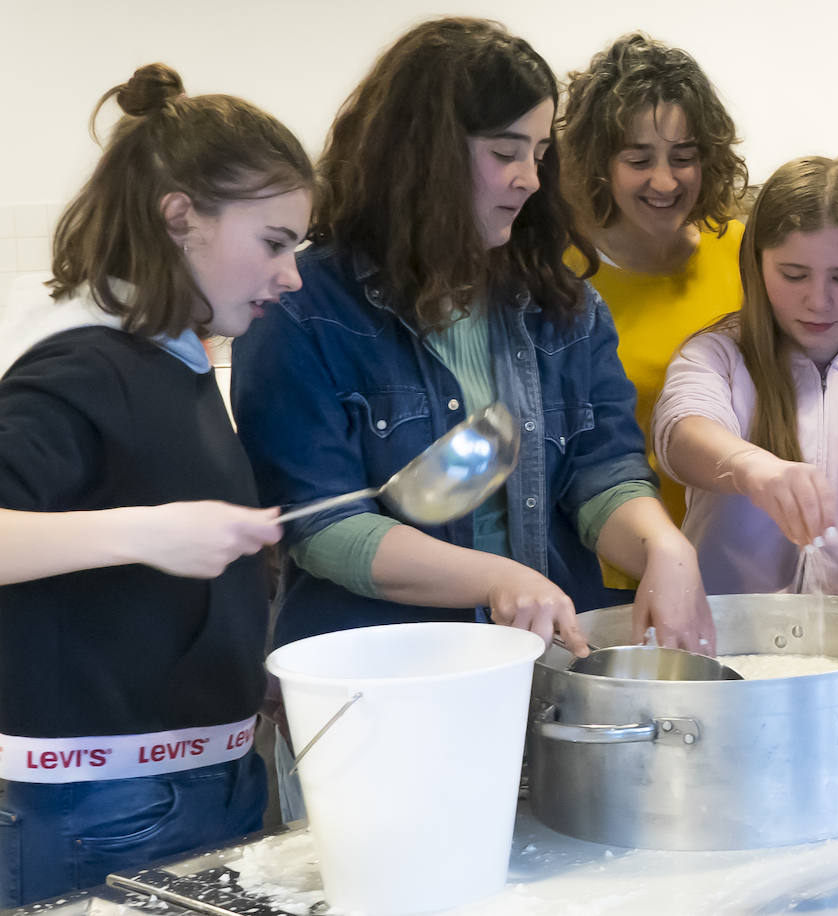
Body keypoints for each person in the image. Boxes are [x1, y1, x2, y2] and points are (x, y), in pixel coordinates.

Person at [230, 19, 714, 816]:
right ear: (423, 152)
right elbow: (324, 527)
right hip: (379, 701)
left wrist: (663, 545)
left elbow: (601, 475)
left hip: (547, 689)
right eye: (504, 152)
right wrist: (496, 577)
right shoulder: (302, 307)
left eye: (540, 152)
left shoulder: (561, 305)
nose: (529, 178)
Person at [0, 64, 310, 905]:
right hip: (108, 809)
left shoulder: (171, 356)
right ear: (181, 219)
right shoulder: (81, 363)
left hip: (192, 785)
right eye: (275, 243)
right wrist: (147, 532)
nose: (292, 277)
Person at [652, 155, 838, 614]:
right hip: (731, 647)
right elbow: (679, 432)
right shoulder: (717, 357)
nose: (818, 301)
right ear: (756, 263)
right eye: (793, 275)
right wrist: (752, 468)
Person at [560, 33, 748, 524]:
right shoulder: (560, 275)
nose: (665, 182)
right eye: (639, 160)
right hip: (609, 564)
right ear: (599, 164)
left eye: (683, 157)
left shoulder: (742, 251)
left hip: (730, 560)